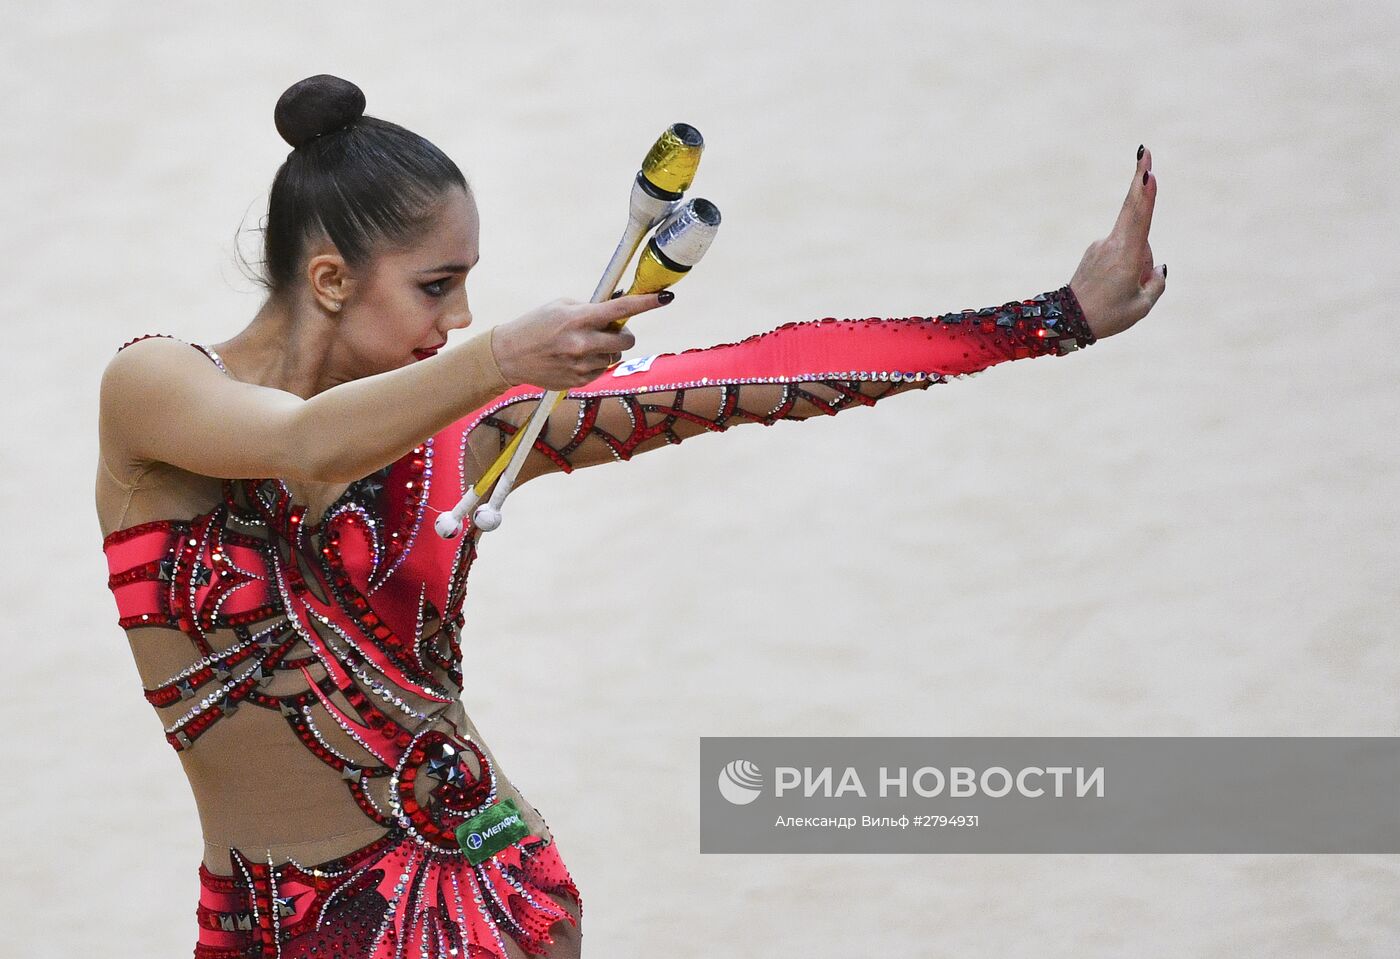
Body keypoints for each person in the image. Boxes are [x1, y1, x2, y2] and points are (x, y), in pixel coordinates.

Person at [95, 74, 1164, 959]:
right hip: (267, 926)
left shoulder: (470, 429)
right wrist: (501, 356)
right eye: (436, 284)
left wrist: (1049, 319)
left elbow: (750, 376)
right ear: (329, 277)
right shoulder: (154, 390)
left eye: (469, 287)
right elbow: (299, 444)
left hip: (483, 897)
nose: (460, 315)